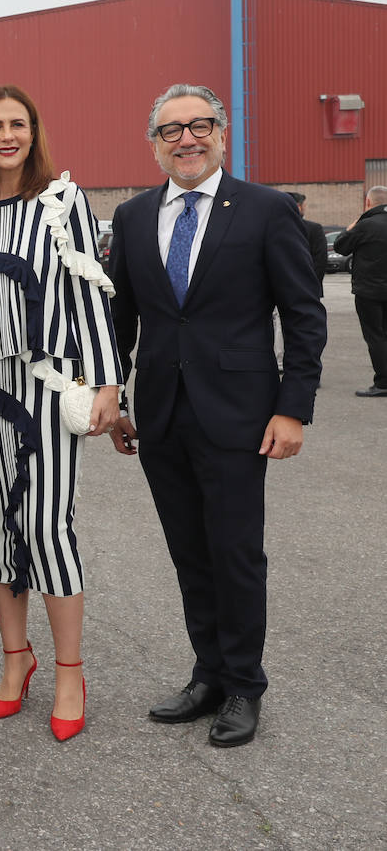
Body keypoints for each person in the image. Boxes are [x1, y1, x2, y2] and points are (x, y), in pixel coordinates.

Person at [108, 84, 326, 747]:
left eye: (198, 125)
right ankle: (207, 674)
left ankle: (244, 687)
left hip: (237, 416)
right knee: (190, 554)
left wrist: (294, 410)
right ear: (153, 144)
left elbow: (304, 314)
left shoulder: (264, 210)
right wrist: (114, 398)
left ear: (221, 133)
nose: (186, 139)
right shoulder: (133, 216)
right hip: (162, 418)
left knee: (234, 554)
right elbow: (119, 323)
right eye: (170, 130)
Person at [0, 85, 124, 741]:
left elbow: (88, 295)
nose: (7, 135)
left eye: (18, 124)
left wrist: (108, 383)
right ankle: (15, 660)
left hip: (46, 387)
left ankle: (70, 670)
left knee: (49, 527)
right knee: (0, 526)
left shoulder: (62, 202)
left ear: (34, 131)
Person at [334, 186, 387, 397]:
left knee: (375, 336)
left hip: (369, 291)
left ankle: (383, 383)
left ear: (368, 202)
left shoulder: (366, 225)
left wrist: (352, 226)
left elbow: (340, 247)